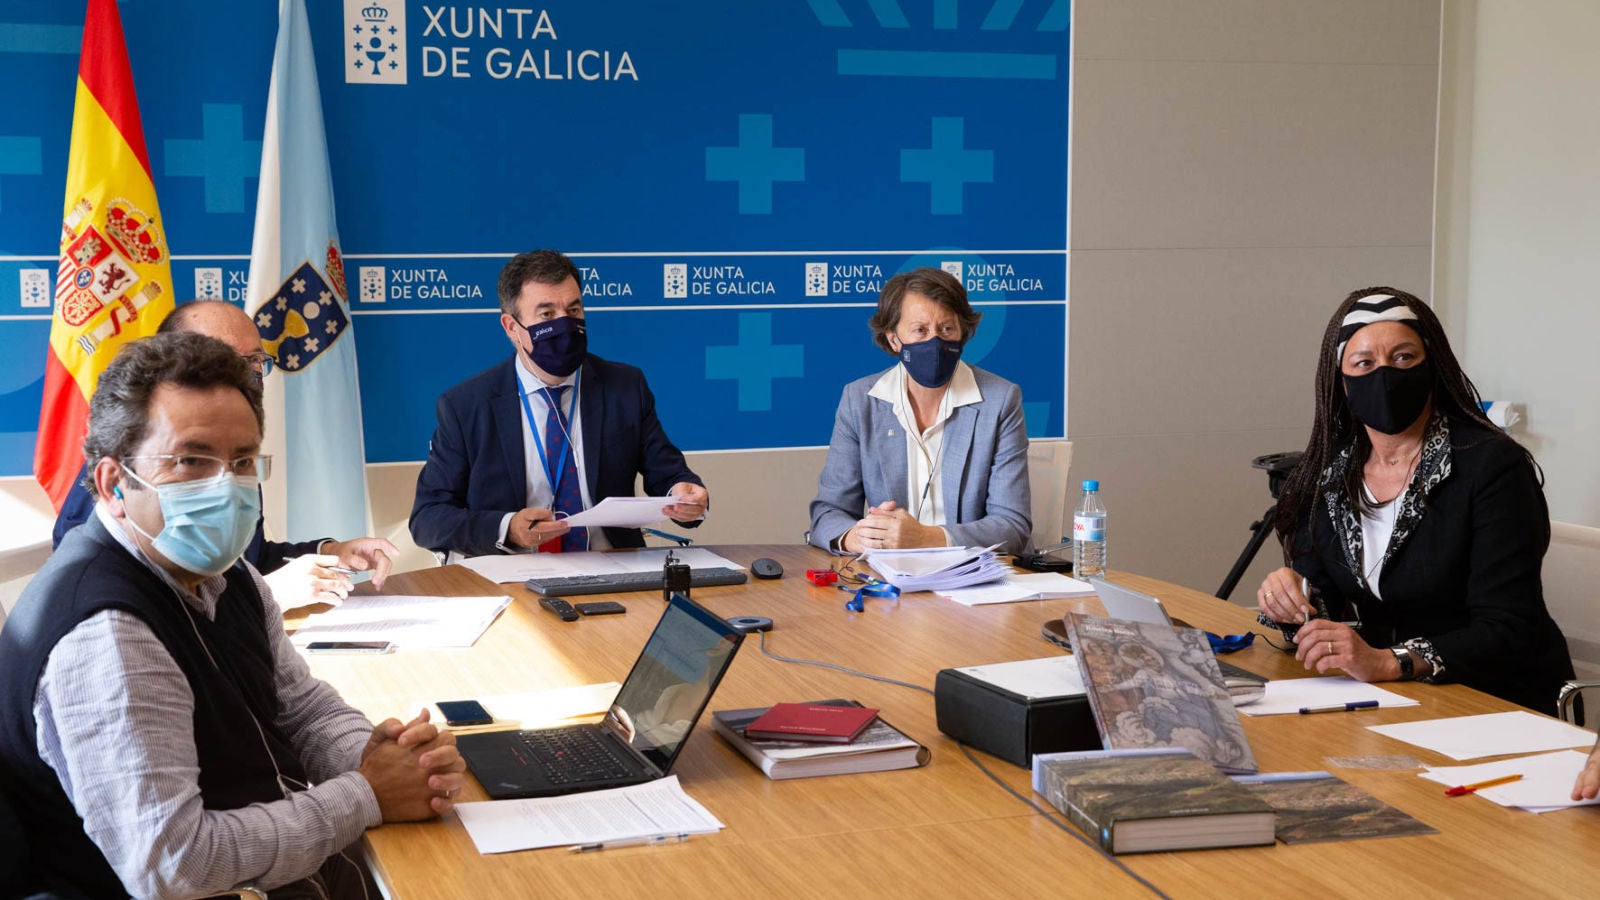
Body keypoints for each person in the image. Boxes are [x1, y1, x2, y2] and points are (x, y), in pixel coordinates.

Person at [0, 332, 464, 898]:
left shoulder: (225, 572)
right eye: (191, 460)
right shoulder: (108, 634)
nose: (224, 486)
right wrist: (367, 793)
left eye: (242, 460)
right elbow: (175, 865)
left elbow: (301, 708)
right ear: (114, 483)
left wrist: (382, 756)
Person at [1257, 288, 1573, 713]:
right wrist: (1291, 598)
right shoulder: (1331, 474)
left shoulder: (1492, 467)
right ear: (1342, 383)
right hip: (1392, 698)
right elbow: (1325, 603)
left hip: (1496, 698)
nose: (1385, 376)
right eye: (1364, 363)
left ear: (1431, 367)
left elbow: (1508, 625)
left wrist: (1390, 661)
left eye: (1403, 358)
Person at [51, 299, 398, 608]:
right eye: (225, 359)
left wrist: (330, 553)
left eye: (255, 361)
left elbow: (246, 559)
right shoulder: (129, 472)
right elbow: (111, 596)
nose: (248, 374)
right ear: (169, 362)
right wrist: (269, 594)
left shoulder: (228, 453)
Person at [409, 249, 708, 558]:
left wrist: (684, 494)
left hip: (610, 565)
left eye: (573, 310)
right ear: (511, 327)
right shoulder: (466, 407)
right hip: (512, 572)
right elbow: (428, 519)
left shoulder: (625, 387)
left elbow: (668, 475)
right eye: (547, 315)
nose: (565, 325)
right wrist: (506, 528)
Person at [808, 267, 1031, 556]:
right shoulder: (860, 401)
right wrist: (859, 537)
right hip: (890, 575)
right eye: (920, 330)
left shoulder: (1000, 400)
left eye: (946, 329)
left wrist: (926, 538)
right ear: (893, 339)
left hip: (974, 575)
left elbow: (1012, 526)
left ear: (962, 333)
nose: (935, 342)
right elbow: (828, 512)